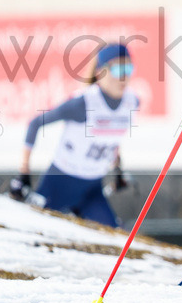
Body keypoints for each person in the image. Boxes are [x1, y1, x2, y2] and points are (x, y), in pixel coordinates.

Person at [9, 43, 139, 228]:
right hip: (60, 182)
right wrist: (23, 174)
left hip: (92, 188)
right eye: (118, 69)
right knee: (32, 231)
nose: (124, 77)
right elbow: (35, 124)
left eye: (128, 69)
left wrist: (118, 168)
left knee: (114, 236)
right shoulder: (83, 103)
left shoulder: (132, 101)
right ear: (100, 72)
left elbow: (113, 137)